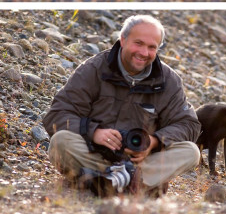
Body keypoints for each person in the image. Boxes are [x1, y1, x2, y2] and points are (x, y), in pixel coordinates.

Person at [43, 14, 200, 197]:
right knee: (60, 142)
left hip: (140, 162)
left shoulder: (169, 80)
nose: (143, 52)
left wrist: (154, 141)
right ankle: (134, 184)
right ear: (123, 39)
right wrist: (94, 132)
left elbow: (189, 124)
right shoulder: (94, 69)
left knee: (191, 152)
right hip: (95, 154)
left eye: (152, 47)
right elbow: (57, 114)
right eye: (138, 43)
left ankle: (106, 180)